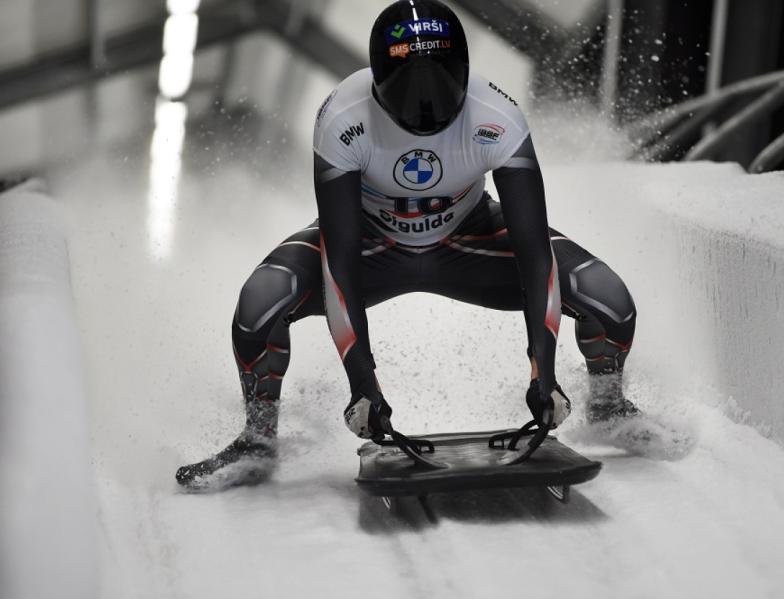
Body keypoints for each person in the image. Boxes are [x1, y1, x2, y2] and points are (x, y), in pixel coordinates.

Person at [176, 0, 637, 490]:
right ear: (376, 83)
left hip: (470, 238)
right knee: (260, 303)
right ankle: (258, 440)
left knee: (605, 296)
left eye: (440, 86)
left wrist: (542, 372)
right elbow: (340, 264)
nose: (426, 106)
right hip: (373, 244)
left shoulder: (498, 115)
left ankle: (609, 408)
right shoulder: (342, 117)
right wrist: (363, 386)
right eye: (407, 90)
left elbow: (533, 251)